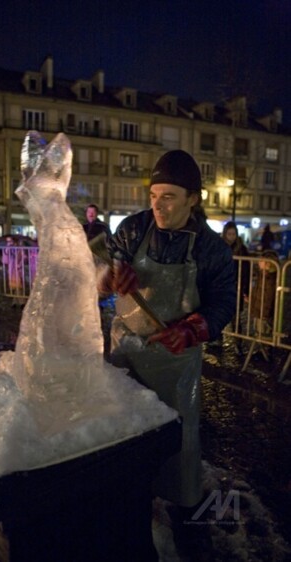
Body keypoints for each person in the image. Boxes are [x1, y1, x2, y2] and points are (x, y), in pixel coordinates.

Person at [97, 150, 236, 555]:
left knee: (179, 442)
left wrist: (195, 328)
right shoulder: (133, 228)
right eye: (154, 194)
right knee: (124, 434)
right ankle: (128, 503)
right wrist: (110, 277)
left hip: (175, 363)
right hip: (125, 353)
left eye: (169, 196)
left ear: (193, 198)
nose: (157, 204)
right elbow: (105, 271)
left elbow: (223, 303)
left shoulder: (211, 250)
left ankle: (184, 515)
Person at [222, 221, 250, 354]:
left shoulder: (242, 249)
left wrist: (246, 289)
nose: (231, 236)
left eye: (233, 234)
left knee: (236, 316)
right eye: (229, 234)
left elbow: (246, 269)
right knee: (220, 313)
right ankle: (217, 338)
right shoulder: (219, 246)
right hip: (221, 286)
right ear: (225, 234)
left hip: (236, 287)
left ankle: (238, 343)